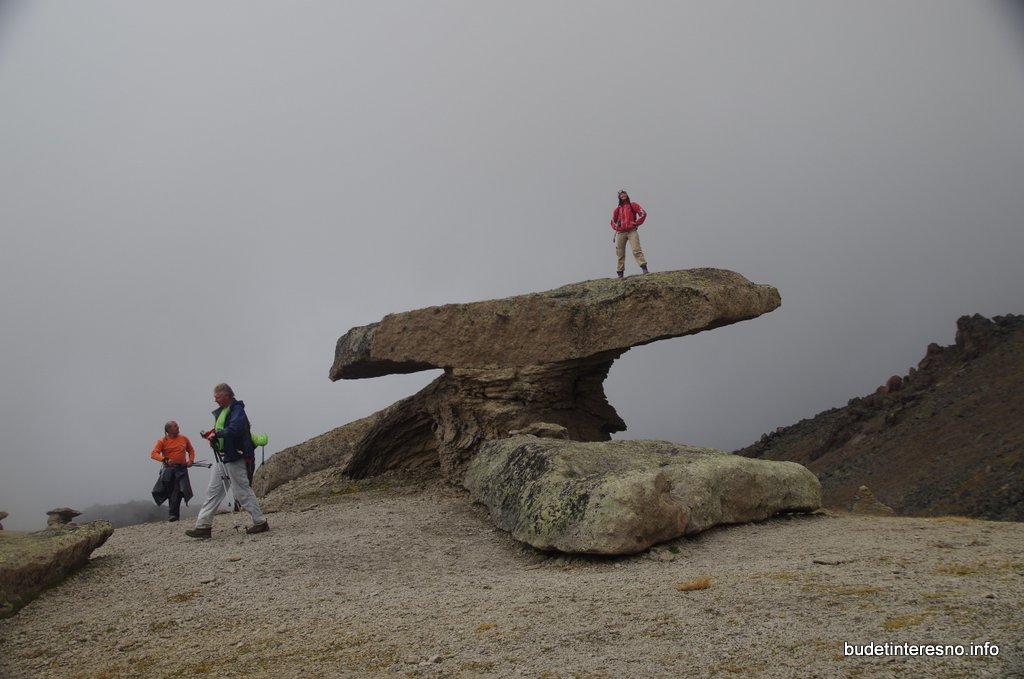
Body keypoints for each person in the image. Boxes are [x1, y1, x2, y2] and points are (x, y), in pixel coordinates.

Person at [185, 383, 270, 538]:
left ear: (227, 395)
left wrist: (216, 435)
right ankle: (203, 527)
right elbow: (224, 429)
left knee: (241, 490)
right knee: (213, 490)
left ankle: (260, 522)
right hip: (224, 456)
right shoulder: (225, 411)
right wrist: (213, 435)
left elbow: (235, 428)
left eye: (217, 397)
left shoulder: (237, 410)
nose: (215, 400)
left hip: (235, 456)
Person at [150, 421, 195, 522]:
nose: (178, 427)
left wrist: (191, 460)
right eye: (175, 426)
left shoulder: (184, 438)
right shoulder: (162, 441)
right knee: (170, 491)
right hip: (169, 470)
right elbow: (153, 454)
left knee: (178, 491)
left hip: (181, 469)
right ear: (168, 430)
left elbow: (191, 450)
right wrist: (164, 459)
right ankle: (173, 515)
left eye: (177, 425)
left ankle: (173, 515)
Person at [610, 189, 649, 278]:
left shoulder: (633, 205)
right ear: (619, 197)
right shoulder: (617, 210)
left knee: (636, 249)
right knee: (620, 253)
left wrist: (636, 223)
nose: (623, 195)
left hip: (632, 231)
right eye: (621, 195)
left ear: (627, 195)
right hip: (620, 233)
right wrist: (616, 227)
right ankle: (620, 273)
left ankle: (644, 268)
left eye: (624, 194)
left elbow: (643, 213)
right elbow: (612, 221)